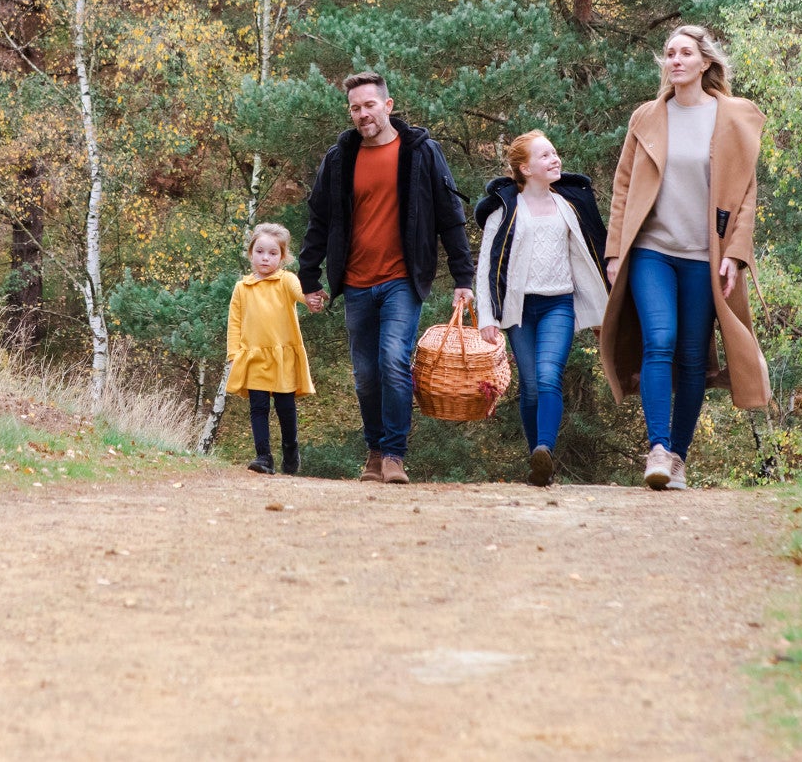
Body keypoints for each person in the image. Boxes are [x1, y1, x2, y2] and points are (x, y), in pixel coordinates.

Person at [600, 25, 769, 491]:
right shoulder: (647, 118)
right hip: (652, 249)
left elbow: (747, 196)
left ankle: (677, 457)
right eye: (669, 53)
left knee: (694, 358)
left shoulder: (731, 118)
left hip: (704, 256)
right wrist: (616, 252)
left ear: (705, 63)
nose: (674, 60)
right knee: (661, 340)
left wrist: (734, 256)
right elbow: (621, 190)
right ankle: (656, 448)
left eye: (685, 53)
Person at [300, 72, 476, 485]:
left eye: (369, 105)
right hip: (357, 282)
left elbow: (450, 218)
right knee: (365, 372)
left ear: (388, 105)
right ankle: (375, 451)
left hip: (402, 278)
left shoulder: (421, 152)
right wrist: (309, 276)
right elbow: (319, 221)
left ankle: (395, 454)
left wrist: (462, 276)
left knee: (393, 359)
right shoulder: (339, 158)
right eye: (355, 108)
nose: (362, 115)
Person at [474, 132, 608, 487]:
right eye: (545, 155)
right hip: (520, 309)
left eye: (555, 152)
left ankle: (544, 447)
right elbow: (487, 265)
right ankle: (540, 463)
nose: (554, 159)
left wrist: (602, 310)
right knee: (530, 386)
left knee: (549, 376)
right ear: (525, 168)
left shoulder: (570, 205)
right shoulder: (504, 210)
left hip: (558, 305)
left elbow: (590, 257)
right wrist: (487, 318)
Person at [225, 223, 314, 476]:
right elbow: (234, 323)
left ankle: (290, 449)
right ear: (251, 253)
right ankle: (263, 456)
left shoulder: (286, 280)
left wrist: (311, 298)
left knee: (285, 408)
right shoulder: (242, 287)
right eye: (260, 251)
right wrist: (233, 355)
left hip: (282, 356)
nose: (266, 257)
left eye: (273, 253)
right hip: (252, 356)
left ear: (283, 257)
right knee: (258, 407)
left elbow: (301, 293)